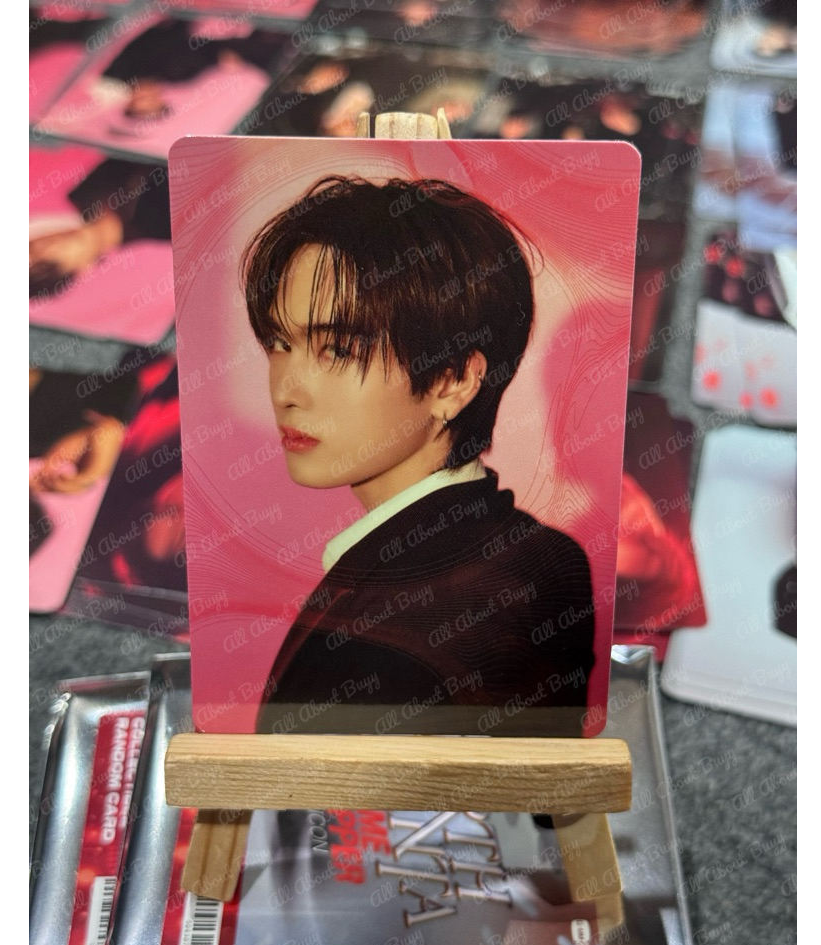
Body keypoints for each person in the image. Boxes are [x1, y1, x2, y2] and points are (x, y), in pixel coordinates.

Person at [242, 175, 595, 737]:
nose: (286, 389)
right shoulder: (545, 552)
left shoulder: (383, 640)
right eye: (280, 344)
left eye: (338, 349)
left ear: (453, 380)